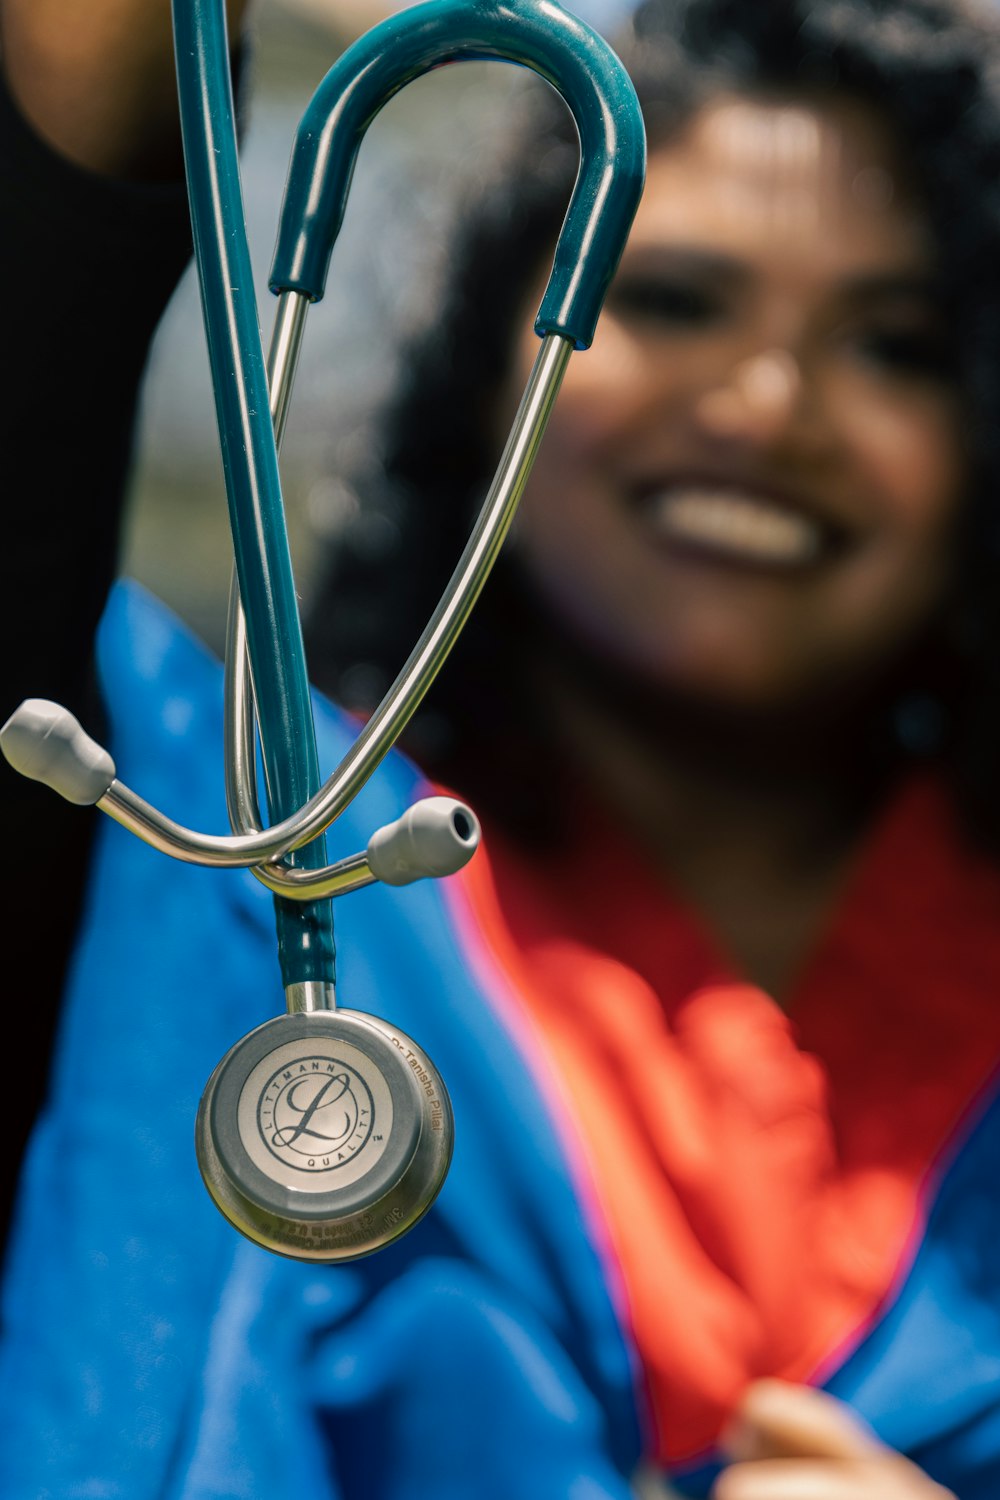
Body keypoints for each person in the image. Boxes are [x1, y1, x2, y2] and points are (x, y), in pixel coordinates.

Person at [1, 0, 998, 1496]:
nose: (766, 407)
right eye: (671, 299)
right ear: (488, 362)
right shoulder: (186, 830)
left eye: (896, 345)